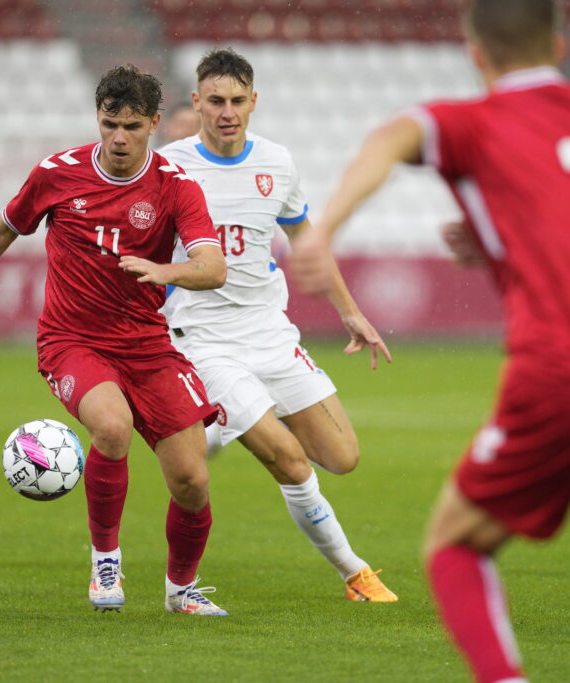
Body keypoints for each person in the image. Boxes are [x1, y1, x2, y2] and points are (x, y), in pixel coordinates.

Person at [291, 0, 570, 680]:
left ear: (476, 54)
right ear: (559, 45)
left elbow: (390, 136)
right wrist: (520, 243)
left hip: (569, 371)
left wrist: (324, 232)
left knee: (454, 545)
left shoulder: (477, 120)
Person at [0, 65, 231, 616]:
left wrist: (168, 272)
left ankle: (181, 590)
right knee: (112, 427)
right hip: (72, 340)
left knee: (191, 479)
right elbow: (2, 229)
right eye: (109, 123)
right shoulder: (57, 173)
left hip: (148, 344)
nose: (118, 137)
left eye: (132, 126)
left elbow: (213, 268)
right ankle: (105, 561)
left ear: (155, 124)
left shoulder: (176, 186)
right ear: (98, 117)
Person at [158, 48, 398, 602]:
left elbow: (305, 238)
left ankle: (218, 424)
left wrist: (350, 311)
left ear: (253, 102)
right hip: (204, 340)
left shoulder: (277, 162)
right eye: (215, 100)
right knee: (289, 459)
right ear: (196, 102)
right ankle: (354, 573)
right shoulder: (169, 166)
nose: (226, 111)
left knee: (342, 457)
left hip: (270, 332)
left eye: (237, 100)